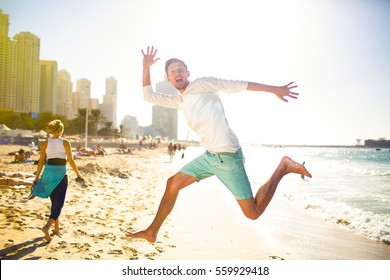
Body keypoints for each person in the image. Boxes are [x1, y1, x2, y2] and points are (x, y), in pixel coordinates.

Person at [126, 46, 312, 243]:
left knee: (253, 213)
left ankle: (283, 167)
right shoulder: (179, 101)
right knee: (172, 184)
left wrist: (275, 89)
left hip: (228, 158)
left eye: (180, 69)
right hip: (209, 157)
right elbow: (149, 96)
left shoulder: (203, 84)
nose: (176, 73)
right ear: (169, 80)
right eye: (172, 72)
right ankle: (152, 232)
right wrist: (145, 67)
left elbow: (238, 85)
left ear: (187, 73)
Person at [32, 119, 85, 243]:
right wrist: (78, 174)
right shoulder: (65, 142)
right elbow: (71, 160)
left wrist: (37, 177)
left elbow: (41, 161)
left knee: (54, 201)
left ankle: (56, 228)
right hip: (60, 173)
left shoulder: (45, 143)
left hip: (48, 173)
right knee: (59, 203)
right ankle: (47, 227)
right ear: (61, 130)